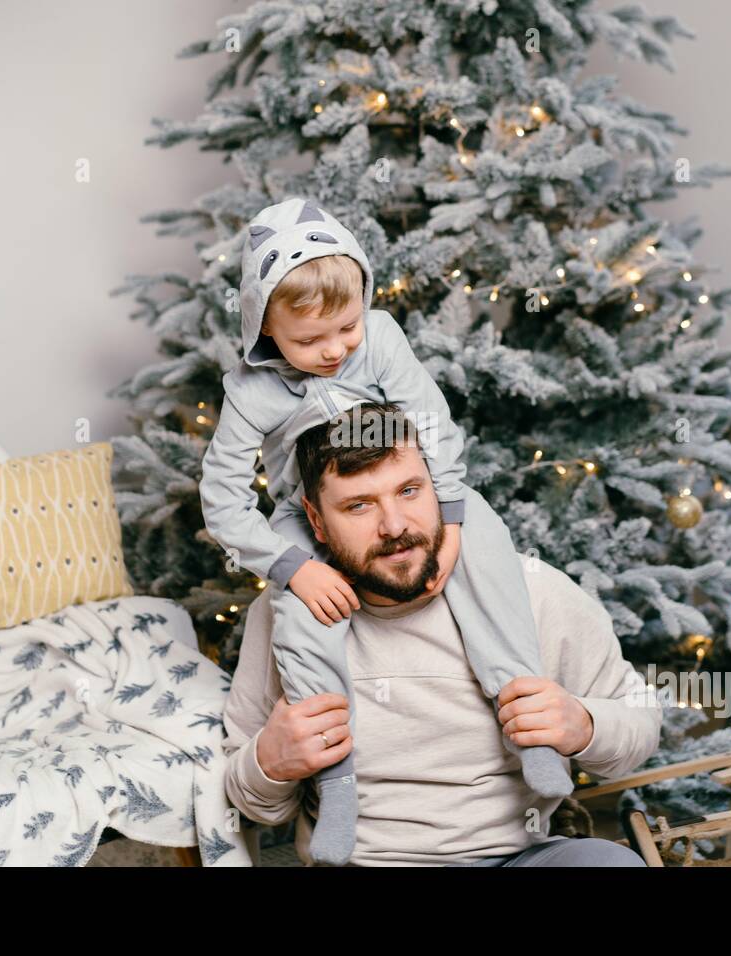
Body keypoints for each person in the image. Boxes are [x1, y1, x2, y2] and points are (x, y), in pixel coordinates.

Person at [200, 197, 573, 864]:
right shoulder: (250, 392)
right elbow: (224, 504)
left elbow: (431, 424)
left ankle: (527, 727)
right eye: (308, 342)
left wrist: (452, 516)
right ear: (264, 331)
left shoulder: (379, 337)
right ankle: (338, 782)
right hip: (313, 519)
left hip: (414, 484)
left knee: (487, 548)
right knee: (301, 618)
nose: (334, 351)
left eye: (343, 330)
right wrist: (293, 566)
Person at [220, 402, 662, 866]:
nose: (394, 527)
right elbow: (251, 801)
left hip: (518, 859)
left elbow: (640, 721)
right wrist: (270, 763)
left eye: (409, 491)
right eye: (359, 506)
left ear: (440, 490)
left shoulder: (532, 591)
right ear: (316, 521)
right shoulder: (286, 617)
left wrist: (583, 726)